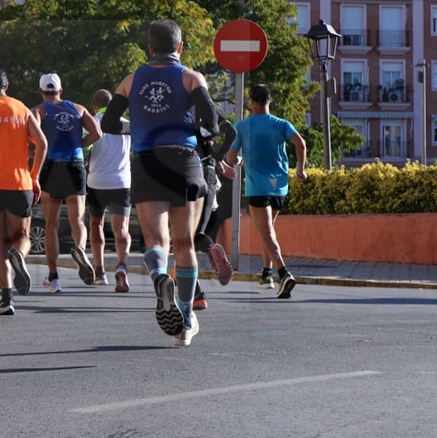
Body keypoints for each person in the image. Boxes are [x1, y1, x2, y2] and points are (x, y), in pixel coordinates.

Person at [103, 19, 219, 347]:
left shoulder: (131, 79)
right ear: (180, 48)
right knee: (184, 244)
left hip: (147, 162)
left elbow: (110, 123)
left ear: (149, 49)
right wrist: (202, 135)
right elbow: (210, 119)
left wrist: (136, 129)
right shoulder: (190, 76)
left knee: (156, 240)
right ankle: (185, 319)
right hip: (184, 161)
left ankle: (158, 278)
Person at [0, 66, 47, 314]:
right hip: (19, 182)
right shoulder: (22, 108)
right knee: (21, 237)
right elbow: (43, 144)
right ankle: (20, 257)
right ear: (8, 85)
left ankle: (6, 299)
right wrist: (34, 175)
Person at [225, 84, 307, 299]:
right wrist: (300, 169)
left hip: (258, 187)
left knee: (266, 232)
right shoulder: (281, 124)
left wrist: (241, 160)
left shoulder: (243, 126)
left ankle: (284, 273)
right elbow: (300, 143)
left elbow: (230, 159)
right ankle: (266, 274)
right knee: (268, 231)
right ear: (269, 101)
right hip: (280, 186)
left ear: (251, 101)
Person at [32, 73, 101, 292]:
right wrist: (80, 143)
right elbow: (97, 133)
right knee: (78, 219)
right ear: (61, 90)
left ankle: (53, 277)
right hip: (75, 164)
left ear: (42, 91)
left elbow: (31, 139)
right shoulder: (78, 109)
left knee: (51, 224)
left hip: (52, 167)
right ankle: (79, 249)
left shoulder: (39, 111)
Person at [85, 89, 132, 293]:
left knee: (96, 224)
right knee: (121, 229)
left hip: (97, 182)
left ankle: (100, 270)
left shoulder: (91, 122)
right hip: (122, 182)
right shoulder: (127, 124)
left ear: (94, 105)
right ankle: (122, 265)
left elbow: (84, 150)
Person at [191, 113, 238, 310]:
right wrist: (218, 159)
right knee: (197, 234)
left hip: (186, 171)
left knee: (184, 238)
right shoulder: (209, 111)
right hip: (209, 174)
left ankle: (197, 295)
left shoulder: (177, 105)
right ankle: (212, 250)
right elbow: (231, 132)